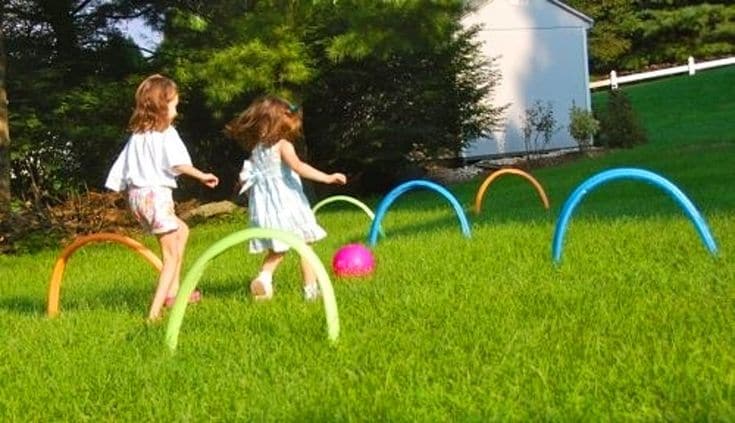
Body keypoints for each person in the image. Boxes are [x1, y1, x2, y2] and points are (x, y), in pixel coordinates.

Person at [105, 74, 219, 320]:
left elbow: (120, 169)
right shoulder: (167, 132)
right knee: (170, 257)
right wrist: (202, 175)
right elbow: (177, 163)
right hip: (156, 197)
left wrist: (119, 192)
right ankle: (155, 312)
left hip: (137, 199)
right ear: (162, 105)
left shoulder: (137, 135)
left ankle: (176, 291)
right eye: (175, 105)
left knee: (183, 230)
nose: (176, 111)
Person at [225, 95, 346, 301]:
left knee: (278, 247)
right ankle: (311, 291)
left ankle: (264, 277)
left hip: (266, 209)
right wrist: (327, 177)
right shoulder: (283, 146)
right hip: (287, 205)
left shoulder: (257, 150)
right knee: (305, 245)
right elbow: (299, 167)